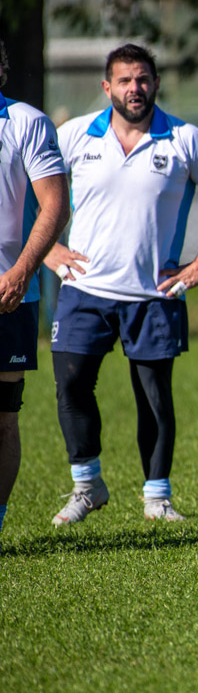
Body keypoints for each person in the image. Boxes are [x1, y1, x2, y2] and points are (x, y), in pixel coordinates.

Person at [45, 43, 198, 525]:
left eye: (143, 79)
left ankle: (157, 498)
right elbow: (34, 194)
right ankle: (87, 484)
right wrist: (49, 252)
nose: (135, 88)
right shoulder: (74, 136)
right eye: (125, 80)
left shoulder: (184, 138)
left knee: (154, 397)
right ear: (106, 87)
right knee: (70, 385)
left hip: (155, 296)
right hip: (84, 291)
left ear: (156, 83)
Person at [0, 42, 71, 542]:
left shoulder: (24, 122)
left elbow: (54, 205)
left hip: (8, 295)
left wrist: (23, 271)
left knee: (3, 419)